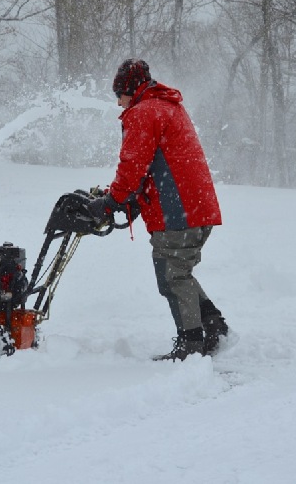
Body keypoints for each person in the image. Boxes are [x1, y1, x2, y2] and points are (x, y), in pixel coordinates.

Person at [89, 59, 229, 361]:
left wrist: (112, 200)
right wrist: (129, 199)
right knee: (180, 272)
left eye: (119, 95)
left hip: (178, 210)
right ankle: (214, 324)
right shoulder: (168, 106)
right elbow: (157, 164)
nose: (118, 103)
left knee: (172, 276)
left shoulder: (143, 112)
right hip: (195, 206)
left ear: (130, 89)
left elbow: (133, 165)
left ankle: (190, 345)